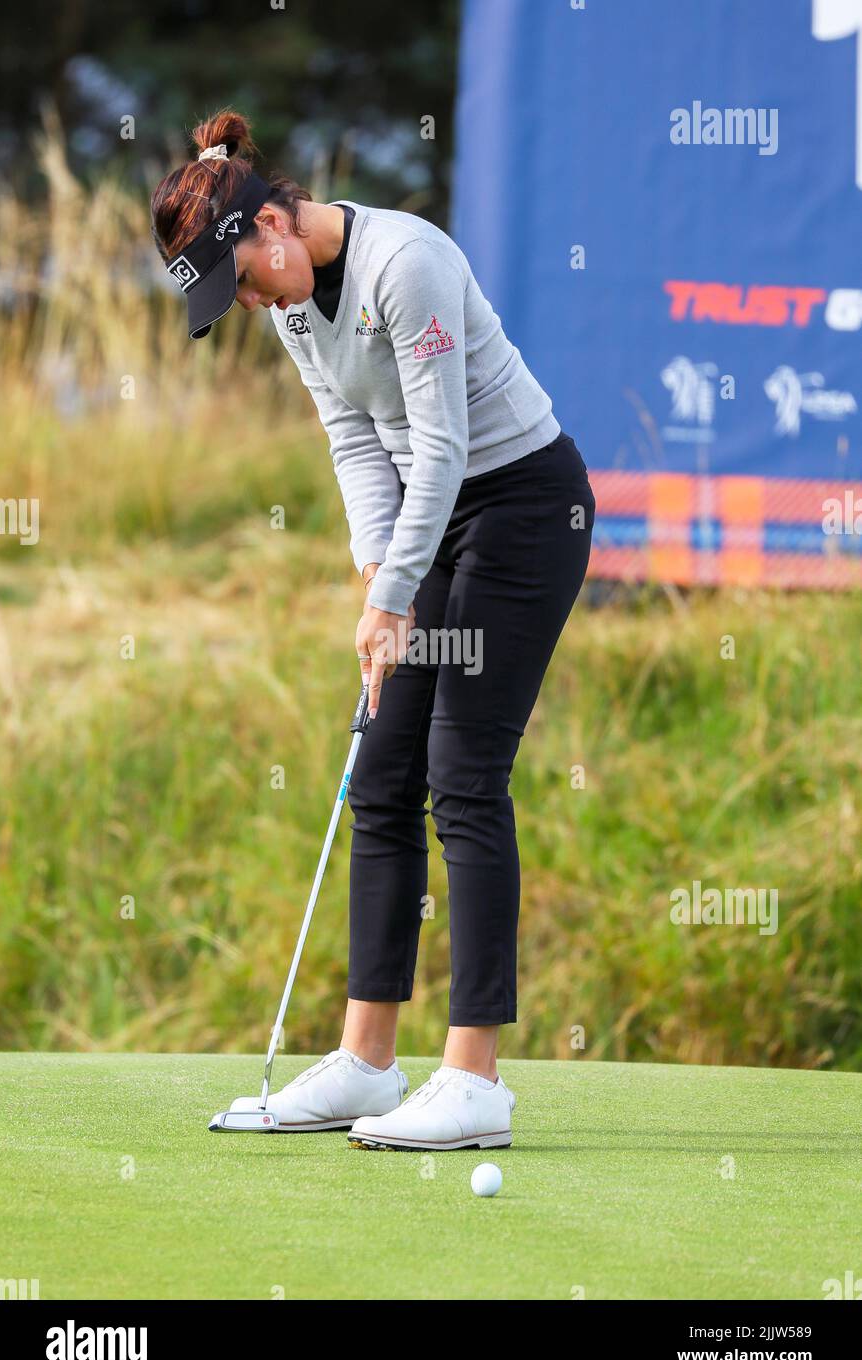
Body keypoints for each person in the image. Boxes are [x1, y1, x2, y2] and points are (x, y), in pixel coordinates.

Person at [151, 110, 595, 1150]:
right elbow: (356, 441)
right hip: (426, 523)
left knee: (463, 769)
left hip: (523, 509)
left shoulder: (409, 264)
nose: (254, 304)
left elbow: (440, 446)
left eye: (248, 282)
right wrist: (374, 583)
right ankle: (365, 1063)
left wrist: (396, 593)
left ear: (273, 223)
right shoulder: (291, 304)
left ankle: (475, 1079)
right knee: (384, 765)